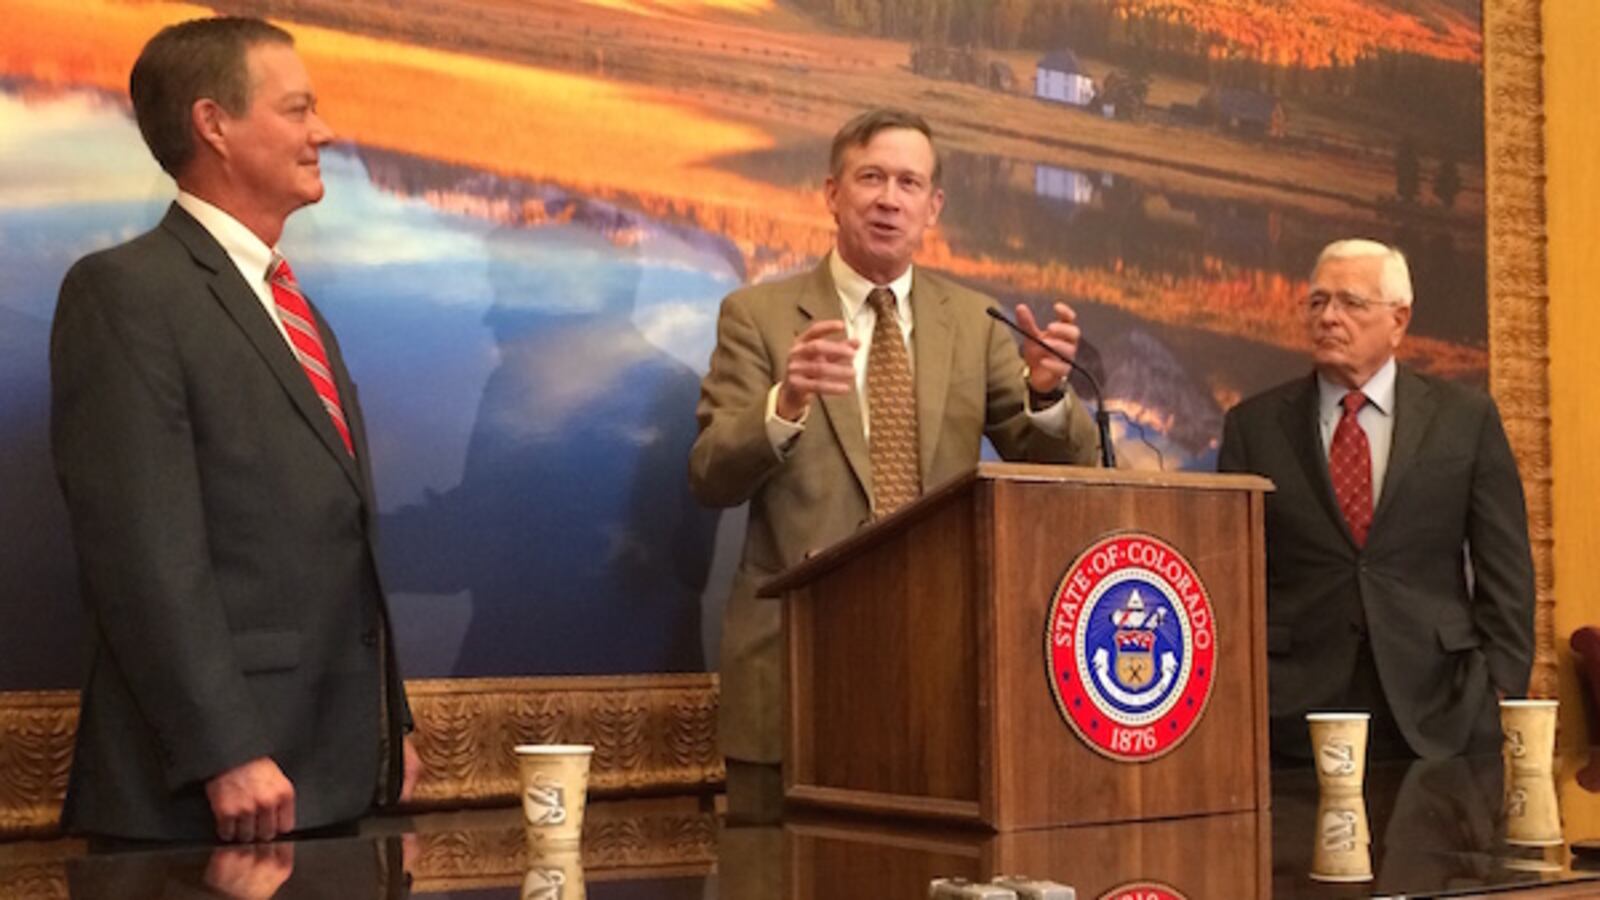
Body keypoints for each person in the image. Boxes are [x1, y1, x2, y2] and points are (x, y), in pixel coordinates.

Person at [50, 16, 419, 843]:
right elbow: (142, 548)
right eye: (297, 110)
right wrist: (225, 752)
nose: (322, 131)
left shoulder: (297, 312)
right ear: (214, 124)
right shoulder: (127, 293)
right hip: (211, 801)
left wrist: (386, 727)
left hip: (326, 779)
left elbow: (338, 538)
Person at [689, 108, 1100, 819]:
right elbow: (710, 475)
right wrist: (784, 404)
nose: (889, 198)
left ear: (932, 206)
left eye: (909, 182)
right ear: (832, 193)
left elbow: (1063, 462)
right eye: (870, 177)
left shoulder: (975, 322)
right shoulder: (757, 315)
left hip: (940, 675)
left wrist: (1045, 394)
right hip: (796, 671)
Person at [1218, 239, 1534, 762]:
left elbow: (1506, 565)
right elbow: (1232, 576)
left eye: (1350, 303)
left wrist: (1501, 686)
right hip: (1292, 710)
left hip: (1441, 705)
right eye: (1317, 302)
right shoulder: (1254, 427)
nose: (1328, 317)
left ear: (1399, 320)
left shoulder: (1465, 419)